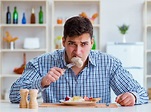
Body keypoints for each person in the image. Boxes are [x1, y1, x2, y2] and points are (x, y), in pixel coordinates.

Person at [9, 16, 149, 106]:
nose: (78, 51)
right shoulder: (41, 63)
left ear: (92, 43)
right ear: (63, 42)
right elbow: (14, 96)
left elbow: (141, 94)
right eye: (72, 44)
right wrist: (41, 82)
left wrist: (132, 97)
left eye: (84, 44)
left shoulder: (109, 64)